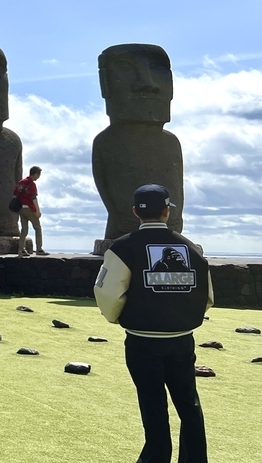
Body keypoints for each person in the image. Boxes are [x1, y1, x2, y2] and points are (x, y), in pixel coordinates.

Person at [94, 184, 212, 463]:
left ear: (135, 212)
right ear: (167, 211)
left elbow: (107, 293)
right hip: (182, 339)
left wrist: (118, 317)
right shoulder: (191, 249)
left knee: (152, 403)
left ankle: (155, 458)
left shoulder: (123, 247)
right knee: (189, 402)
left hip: (141, 340)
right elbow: (206, 296)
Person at [13, 166, 47, 256]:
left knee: (24, 230)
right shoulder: (31, 184)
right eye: (38, 175)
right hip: (29, 208)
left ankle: (21, 250)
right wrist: (37, 210)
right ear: (35, 174)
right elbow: (33, 197)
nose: (38, 177)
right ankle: (39, 249)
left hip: (21, 208)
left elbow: (15, 195)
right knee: (37, 228)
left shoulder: (21, 183)